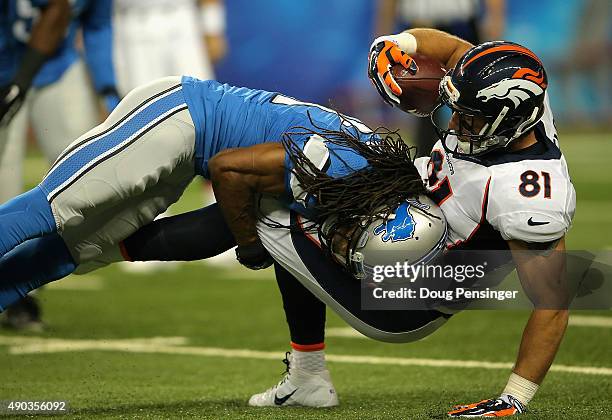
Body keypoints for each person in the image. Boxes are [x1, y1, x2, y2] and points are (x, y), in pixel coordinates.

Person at [0, 76, 425, 313]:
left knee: (78, 249)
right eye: (355, 248)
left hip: (190, 153)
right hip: (177, 115)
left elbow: (220, 227)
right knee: (52, 208)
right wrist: (249, 246)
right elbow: (228, 173)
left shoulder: (373, 183)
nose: (344, 250)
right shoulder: (343, 171)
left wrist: (248, 243)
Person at [0, 0, 119, 329]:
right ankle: (14, 292)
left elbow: (96, 25)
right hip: (4, 66)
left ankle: (22, 281)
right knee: (3, 186)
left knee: (83, 179)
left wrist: (107, 86)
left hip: (57, 67)